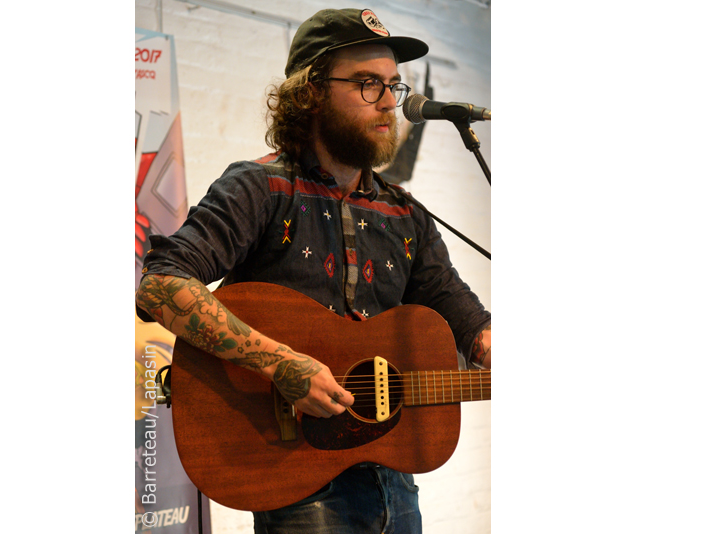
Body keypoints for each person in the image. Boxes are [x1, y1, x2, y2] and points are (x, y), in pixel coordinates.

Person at [135, 7, 491, 533]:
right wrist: (281, 365)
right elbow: (161, 282)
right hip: (296, 480)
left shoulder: (406, 214)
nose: (389, 102)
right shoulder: (261, 189)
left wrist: (487, 342)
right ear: (311, 91)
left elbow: (457, 308)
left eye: (393, 85)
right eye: (368, 84)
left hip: (395, 476)